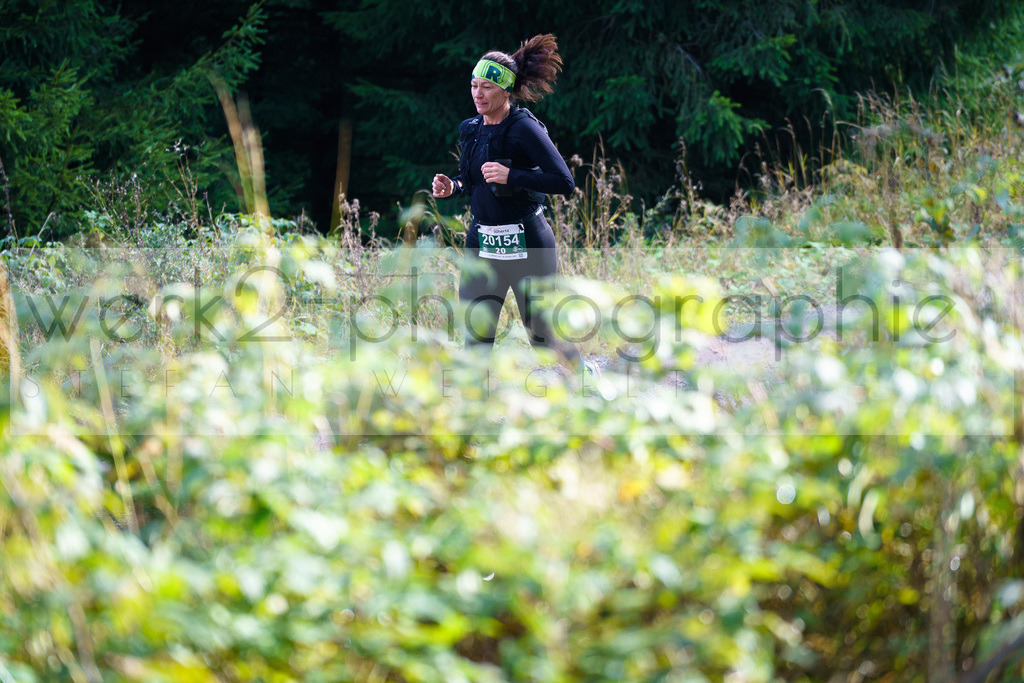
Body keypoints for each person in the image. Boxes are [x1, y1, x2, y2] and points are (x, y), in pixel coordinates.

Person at [431, 33, 601, 389]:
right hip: (482, 245)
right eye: (474, 85)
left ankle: (584, 378)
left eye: (487, 87)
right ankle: (471, 421)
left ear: (506, 91)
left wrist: (515, 176)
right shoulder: (471, 129)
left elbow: (564, 181)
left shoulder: (523, 128)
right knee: (476, 334)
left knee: (541, 336)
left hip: (529, 243)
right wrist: (454, 187)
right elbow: (471, 177)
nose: (478, 94)